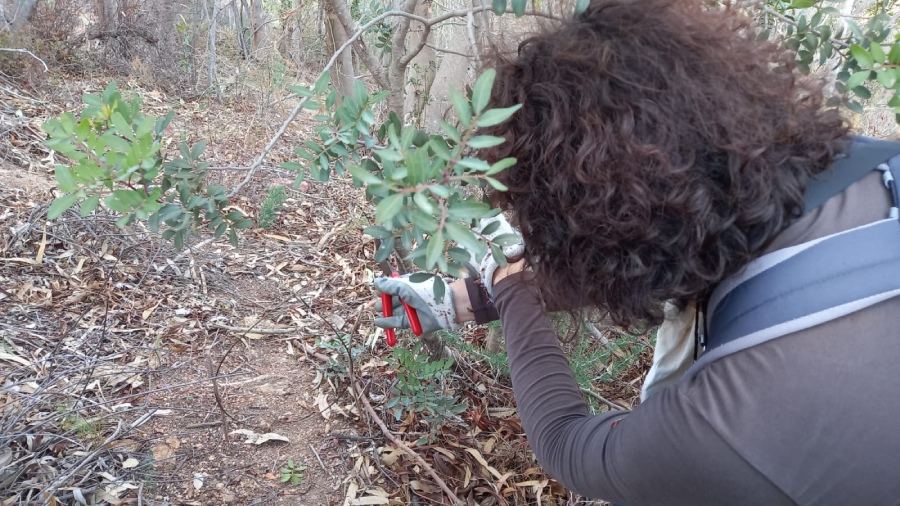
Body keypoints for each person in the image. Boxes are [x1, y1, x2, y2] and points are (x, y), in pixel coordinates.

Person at [373, 0, 900, 504]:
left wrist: (512, 290)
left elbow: (566, 443)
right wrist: (466, 299)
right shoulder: (857, 171)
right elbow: (671, 249)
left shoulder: (724, 424)